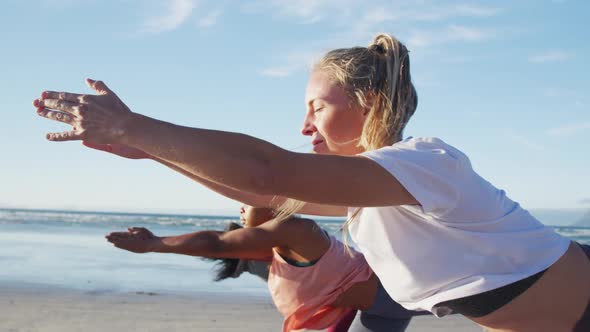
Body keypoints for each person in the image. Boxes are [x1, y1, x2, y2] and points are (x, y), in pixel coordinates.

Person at [34, 32, 590, 331]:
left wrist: (139, 126)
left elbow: (270, 170)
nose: (304, 126)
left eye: (316, 107)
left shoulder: (427, 161)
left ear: (368, 102)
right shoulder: (372, 199)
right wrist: (148, 150)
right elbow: (263, 194)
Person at [106, 205, 424, 332]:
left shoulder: (296, 229)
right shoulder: (270, 255)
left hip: (397, 291)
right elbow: (221, 247)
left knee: (474, 298)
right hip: (371, 316)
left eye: (246, 201)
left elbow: (216, 242)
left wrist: (155, 243)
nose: (241, 209)